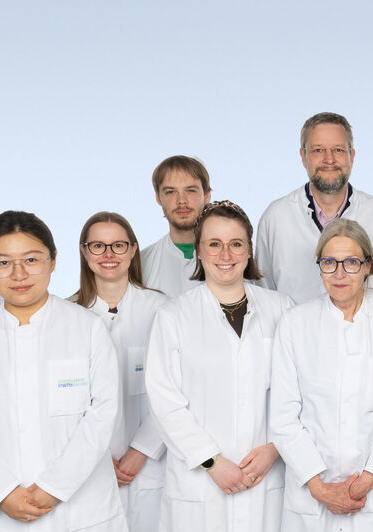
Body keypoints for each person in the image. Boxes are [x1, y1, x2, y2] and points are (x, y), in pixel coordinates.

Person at [0, 210, 125, 531]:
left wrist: (54, 487)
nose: (19, 274)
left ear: (53, 261)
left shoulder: (87, 328)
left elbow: (103, 415)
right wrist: (1, 492)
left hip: (82, 512)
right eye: (3, 262)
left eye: (32, 260)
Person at [270, 218, 373, 532]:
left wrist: (365, 481)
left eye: (351, 262)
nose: (339, 273)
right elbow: (284, 416)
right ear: (319, 267)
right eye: (329, 262)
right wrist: (319, 488)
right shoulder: (294, 324)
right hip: (311, 499)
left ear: (368, 266)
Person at [145, 200, 293, 531]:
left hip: (266, 475)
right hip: (199, 484)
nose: (225, 255)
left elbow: (300, 390)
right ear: (199, 251)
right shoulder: (173, 317)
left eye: (235, 244)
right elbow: (164, 400)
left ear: (249, 250)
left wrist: (276, 447)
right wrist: (211, 461)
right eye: (214, 244)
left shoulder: (282, 310)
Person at [72, 211, 169, 531]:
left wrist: (141, 451)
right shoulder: (66, 315)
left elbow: (173, 390)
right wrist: (96, 459)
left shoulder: (162, 310)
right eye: (98, 246)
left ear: (133, 250)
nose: (109, 254)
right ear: (85, 253)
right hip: (88, 468)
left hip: (151, 465)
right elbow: (64, 403)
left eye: (118, 245)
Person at [255, 112, 373, 302]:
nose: (329, 159)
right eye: (318, 150)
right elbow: (263, 298)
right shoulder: (275, 219)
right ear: (303, 156)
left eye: (338, 150)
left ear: (352, 155)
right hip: (296, 332)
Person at [141, 155, 212, 297]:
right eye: (170, 192)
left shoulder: (234, 259)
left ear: (207, 195)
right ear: (158, 198)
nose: (181, 201)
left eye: (191, 190)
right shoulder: (140, 264)